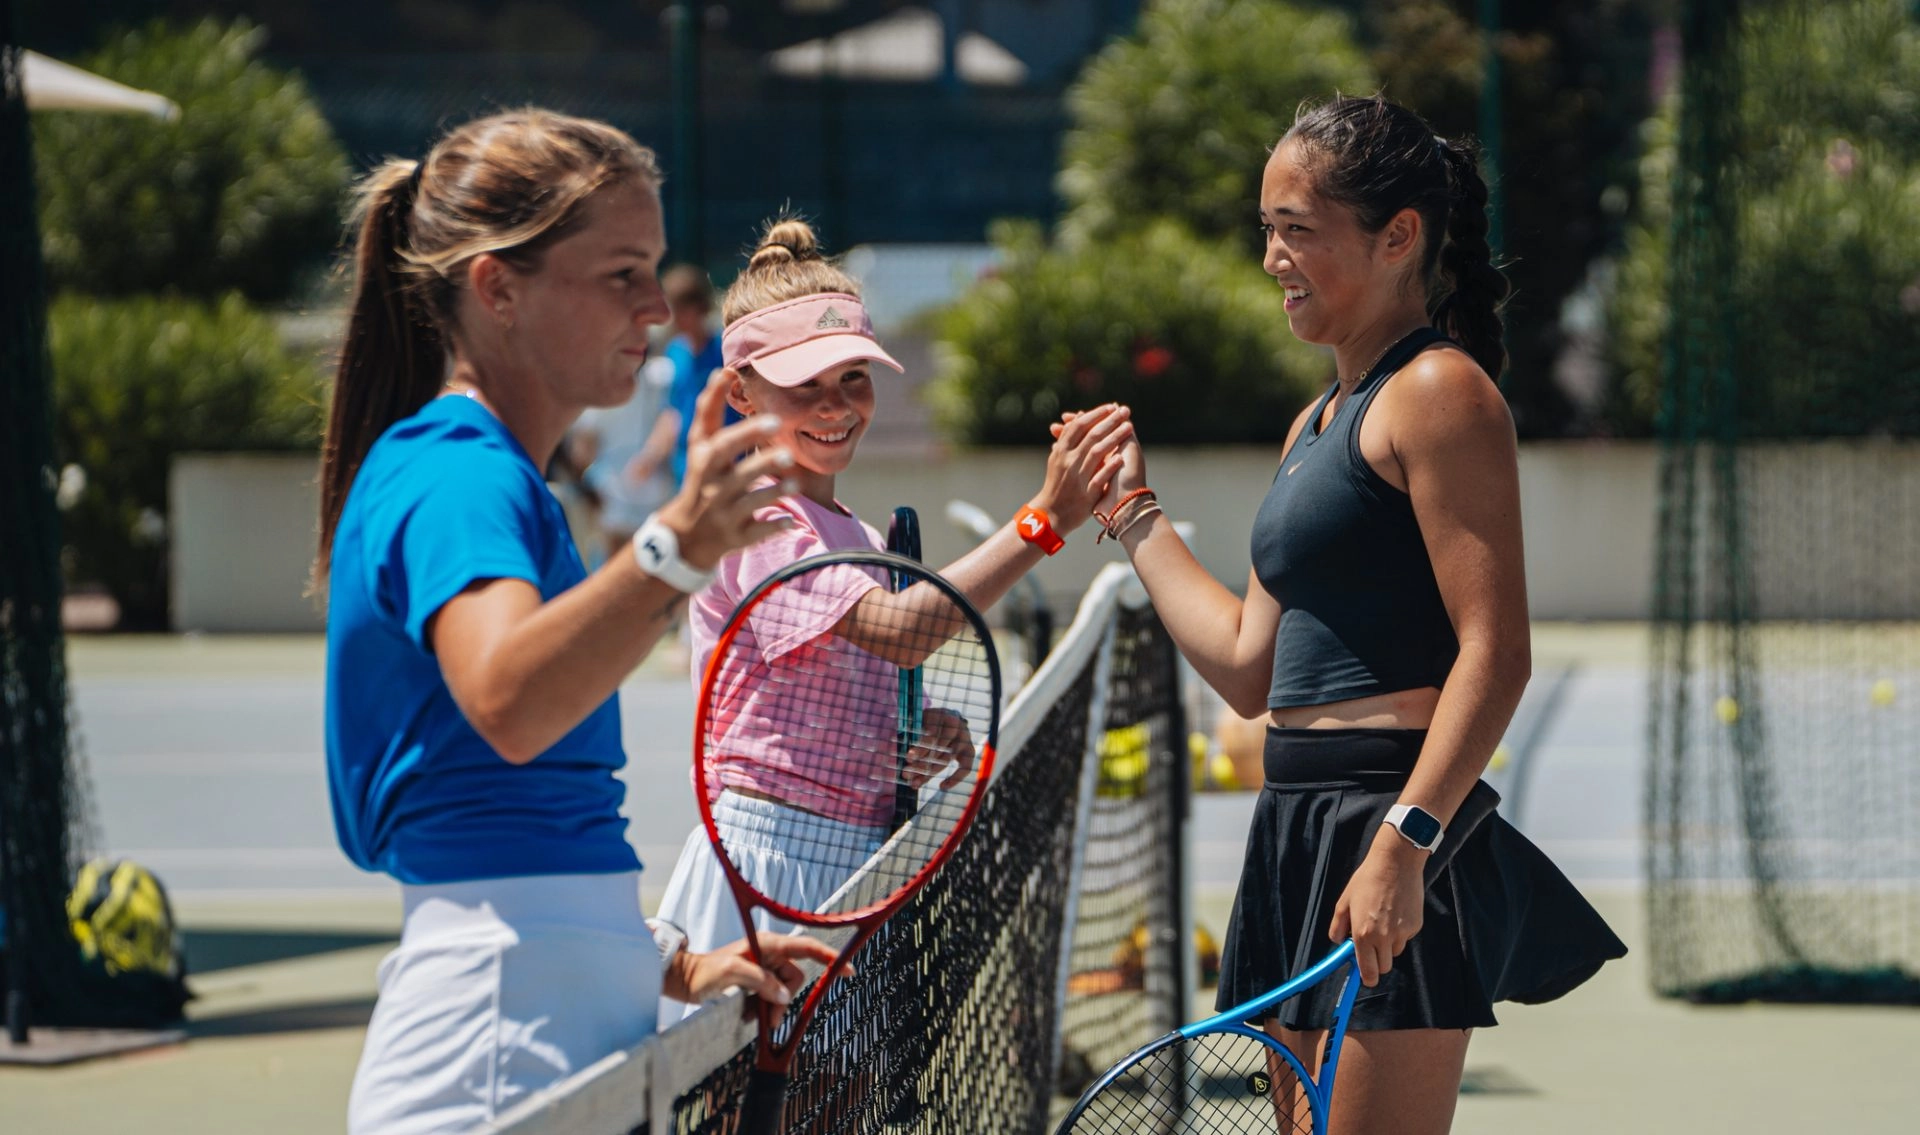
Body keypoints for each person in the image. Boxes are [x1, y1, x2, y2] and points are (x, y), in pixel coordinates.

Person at [1068, 94, 1625, 1133]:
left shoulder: (1440, 395)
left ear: (1397, 235)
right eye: (1266, 228)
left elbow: (1495, 653)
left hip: (1391, 820)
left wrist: (1405, 842)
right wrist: (1131, 514)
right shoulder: (1313, 423)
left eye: (1298, 229)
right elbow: (1246, 666)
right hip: (1293, 830)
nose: (1272, 255)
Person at [315, 109, 840, 1134]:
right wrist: (673, 550)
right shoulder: (456, 473)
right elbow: (507, 702)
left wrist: (671, 961)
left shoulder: (498, 479)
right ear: (497, 288)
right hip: (499, 1043)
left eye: (653, 270)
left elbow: (528, 820)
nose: (655, 304)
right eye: (620, 275)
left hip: (543, 1020)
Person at [654, 217, 1132, 1021]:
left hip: (855, 859)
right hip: (766, 861)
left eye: (853, 378)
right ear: (741, 392)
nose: (835, 404)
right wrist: (1042, 519)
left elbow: (851, 676)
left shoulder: (861, 536)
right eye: (805, 384)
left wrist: (909, 729)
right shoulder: (761, 515)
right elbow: (900, 629)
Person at [661, 263, 731, 487]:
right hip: (685, 469)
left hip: (728, 465)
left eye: (677, 308)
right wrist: (651, 456)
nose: (670, 317)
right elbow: (673, 410)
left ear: (698, 307)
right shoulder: (674, 351)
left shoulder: (725, 349)